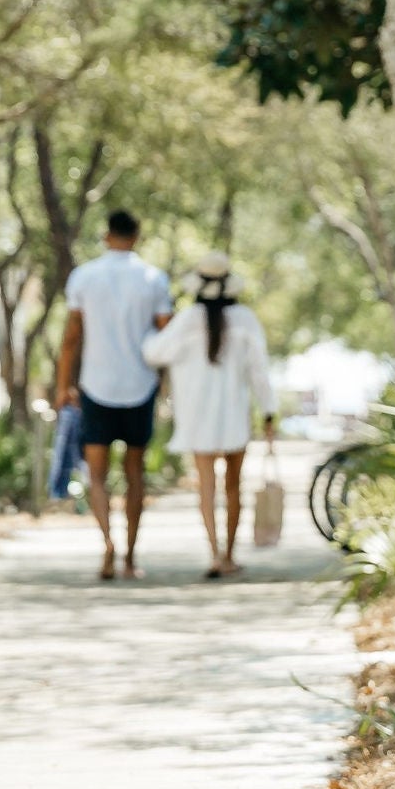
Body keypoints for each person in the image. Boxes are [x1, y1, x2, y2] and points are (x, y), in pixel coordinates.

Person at [55, 209, 172, 580]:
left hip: (95, 387)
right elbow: (166, 336)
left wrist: (62, 385)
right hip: (140, 387)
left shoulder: (85, 276)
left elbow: (72, 336)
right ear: (136, 236)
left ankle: (107, 542)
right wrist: (166, 385)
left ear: (107, 236)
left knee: (97, 475)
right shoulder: (153, 279)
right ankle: (131, 557)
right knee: (135, 473)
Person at [142, 252, 274, 579]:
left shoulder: (187, 320)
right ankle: (229, 555)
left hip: (197, 418)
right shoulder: (245, 319)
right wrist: (269, 411)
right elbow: (260, 372)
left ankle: (214, 554)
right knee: (233, 488)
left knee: (207, 487)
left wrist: (149, 328)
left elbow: (153, 353)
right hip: (235, 417)